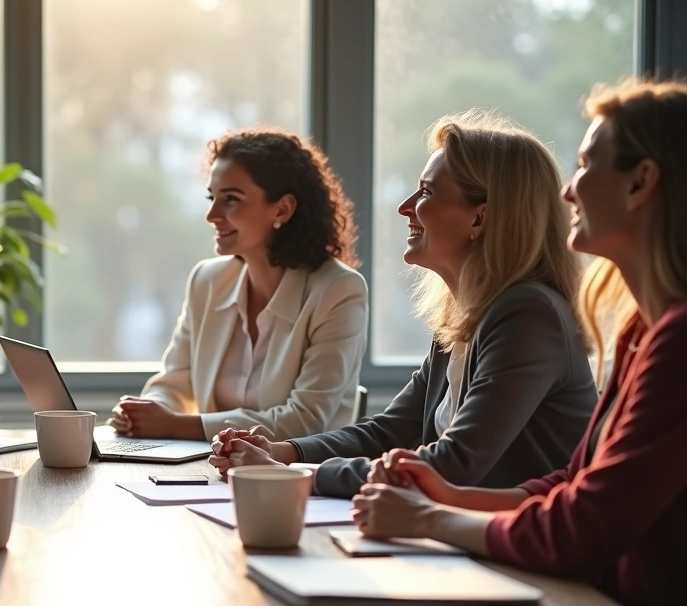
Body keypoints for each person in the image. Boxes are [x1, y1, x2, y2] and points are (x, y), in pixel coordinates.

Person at [351, 79, 687, 606]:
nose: (568, 192)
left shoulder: (676, 343)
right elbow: (570, 483)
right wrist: (450, 497)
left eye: (586, 165)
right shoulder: (640, 333)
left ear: (641, 183)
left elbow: (584, 526)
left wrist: (432, 517)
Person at [211, 111, 598, 498]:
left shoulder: (528, 316)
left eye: (427, 193)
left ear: (479, 218)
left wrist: (297, 476)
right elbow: (392, 430)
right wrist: (282, 452)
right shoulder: (467, 313)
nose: (406, 206)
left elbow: (453, 463)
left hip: (509, 552)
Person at [111, 127, 367, 442]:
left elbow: (304, 421)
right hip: (210, 469)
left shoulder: (338, 290)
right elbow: (173, 385)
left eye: (230, 199)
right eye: (212, 197)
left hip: (298, 479)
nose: (212, 215)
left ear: (283, 209)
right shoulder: (207, 281)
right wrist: (144, 412)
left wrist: (173, 425)